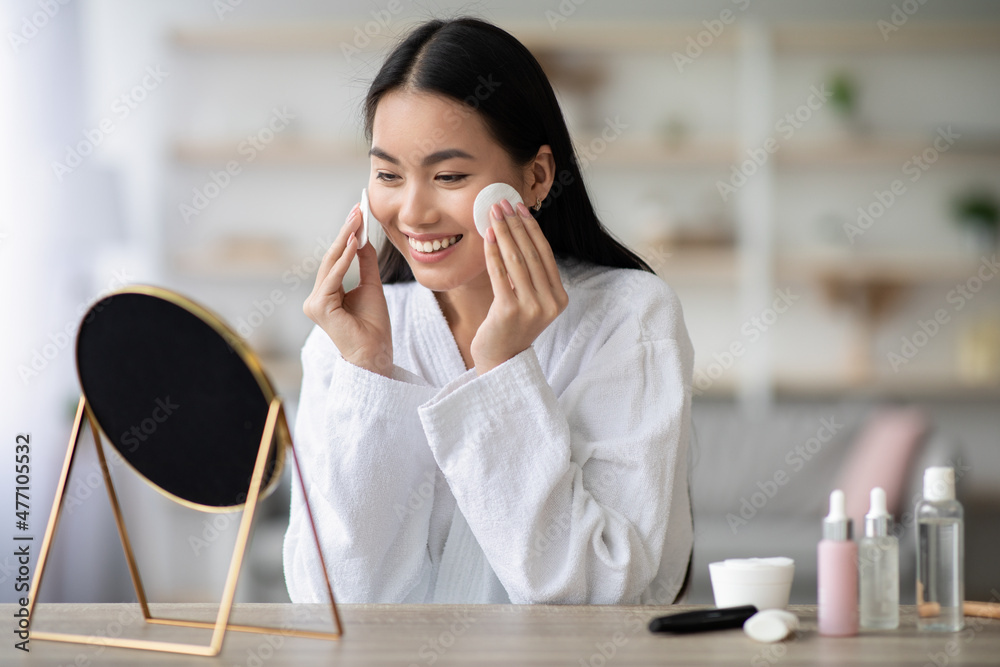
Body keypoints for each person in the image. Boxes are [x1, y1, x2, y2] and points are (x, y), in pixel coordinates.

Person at [283, 16, 694, 605]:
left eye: (449, 175)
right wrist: (367, 373)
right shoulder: (345, 340)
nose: (413, 212)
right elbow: (334, 603)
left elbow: (601, 596)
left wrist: (502, 369)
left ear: (535, 177)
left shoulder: (630, 318)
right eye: (387, 175)